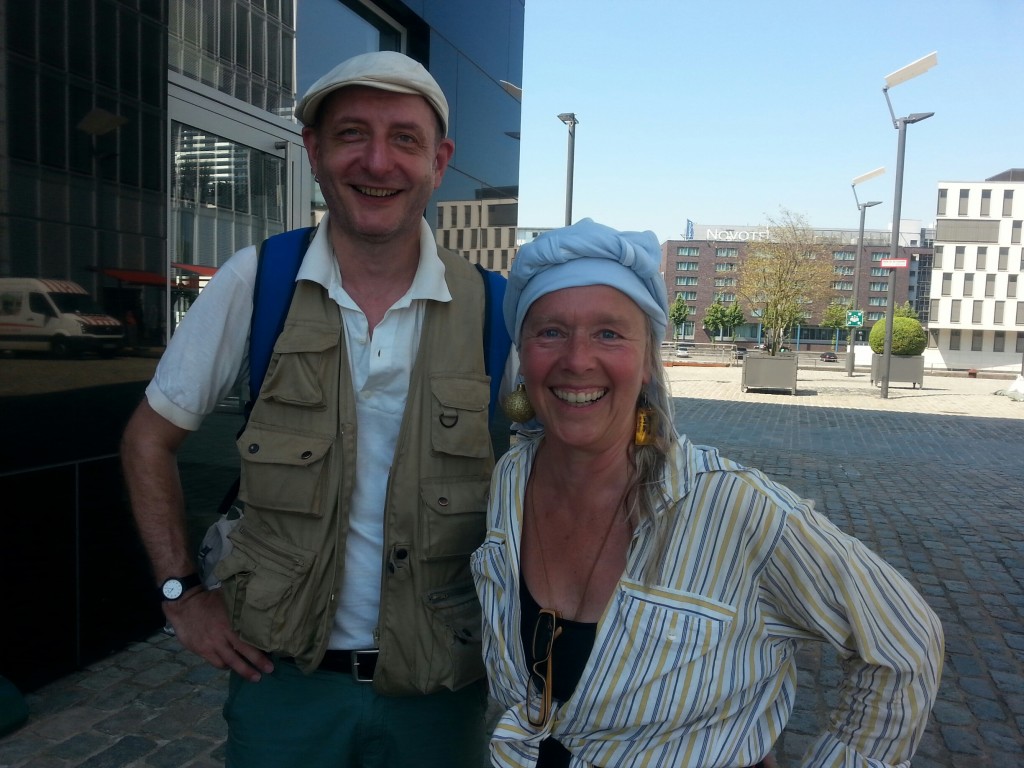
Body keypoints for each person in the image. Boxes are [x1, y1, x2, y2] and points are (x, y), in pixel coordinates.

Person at [122, 51, 503, 767]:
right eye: (352, 133)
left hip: (440, 694)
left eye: (405, 139)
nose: (378, 161)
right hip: (282, 689)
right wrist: (180, 595)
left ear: (440, 160)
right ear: (315, 151)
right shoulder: (257, 279)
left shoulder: (495, 308)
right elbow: (148, 441)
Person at [471, 219, 944, 768]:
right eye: (550, 331)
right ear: (522, 356)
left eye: (609, 333)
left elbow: (906, 645)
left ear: (649, 360)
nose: (578, 359)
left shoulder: (734, 509)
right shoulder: (508, 481)